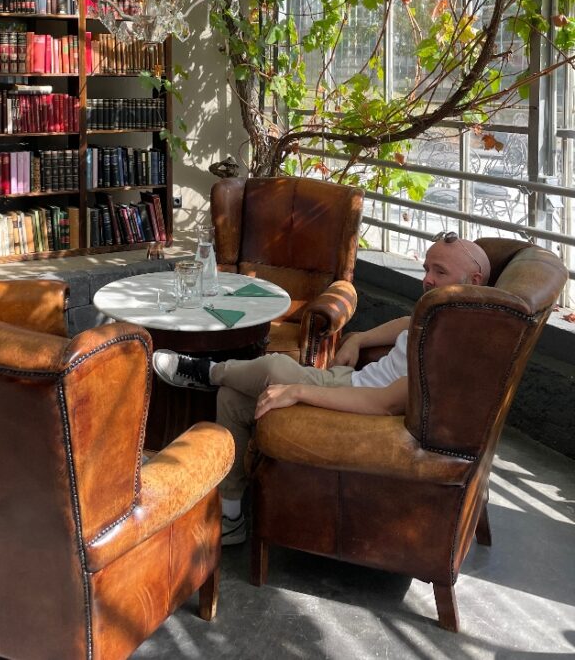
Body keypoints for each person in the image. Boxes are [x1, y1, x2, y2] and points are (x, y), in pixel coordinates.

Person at [153, 232, 490, 546]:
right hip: (353, 380)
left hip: (361, 404)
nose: (428, 278)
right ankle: (231, 518)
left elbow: (386, 405)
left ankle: (207, 371)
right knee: (233, 397)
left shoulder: (454, 345)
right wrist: (359, 338)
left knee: (274, 368)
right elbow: (408, 323)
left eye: (440, 271)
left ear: (474, 281)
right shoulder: (443, 313)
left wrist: (298, 392)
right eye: (427, 268)